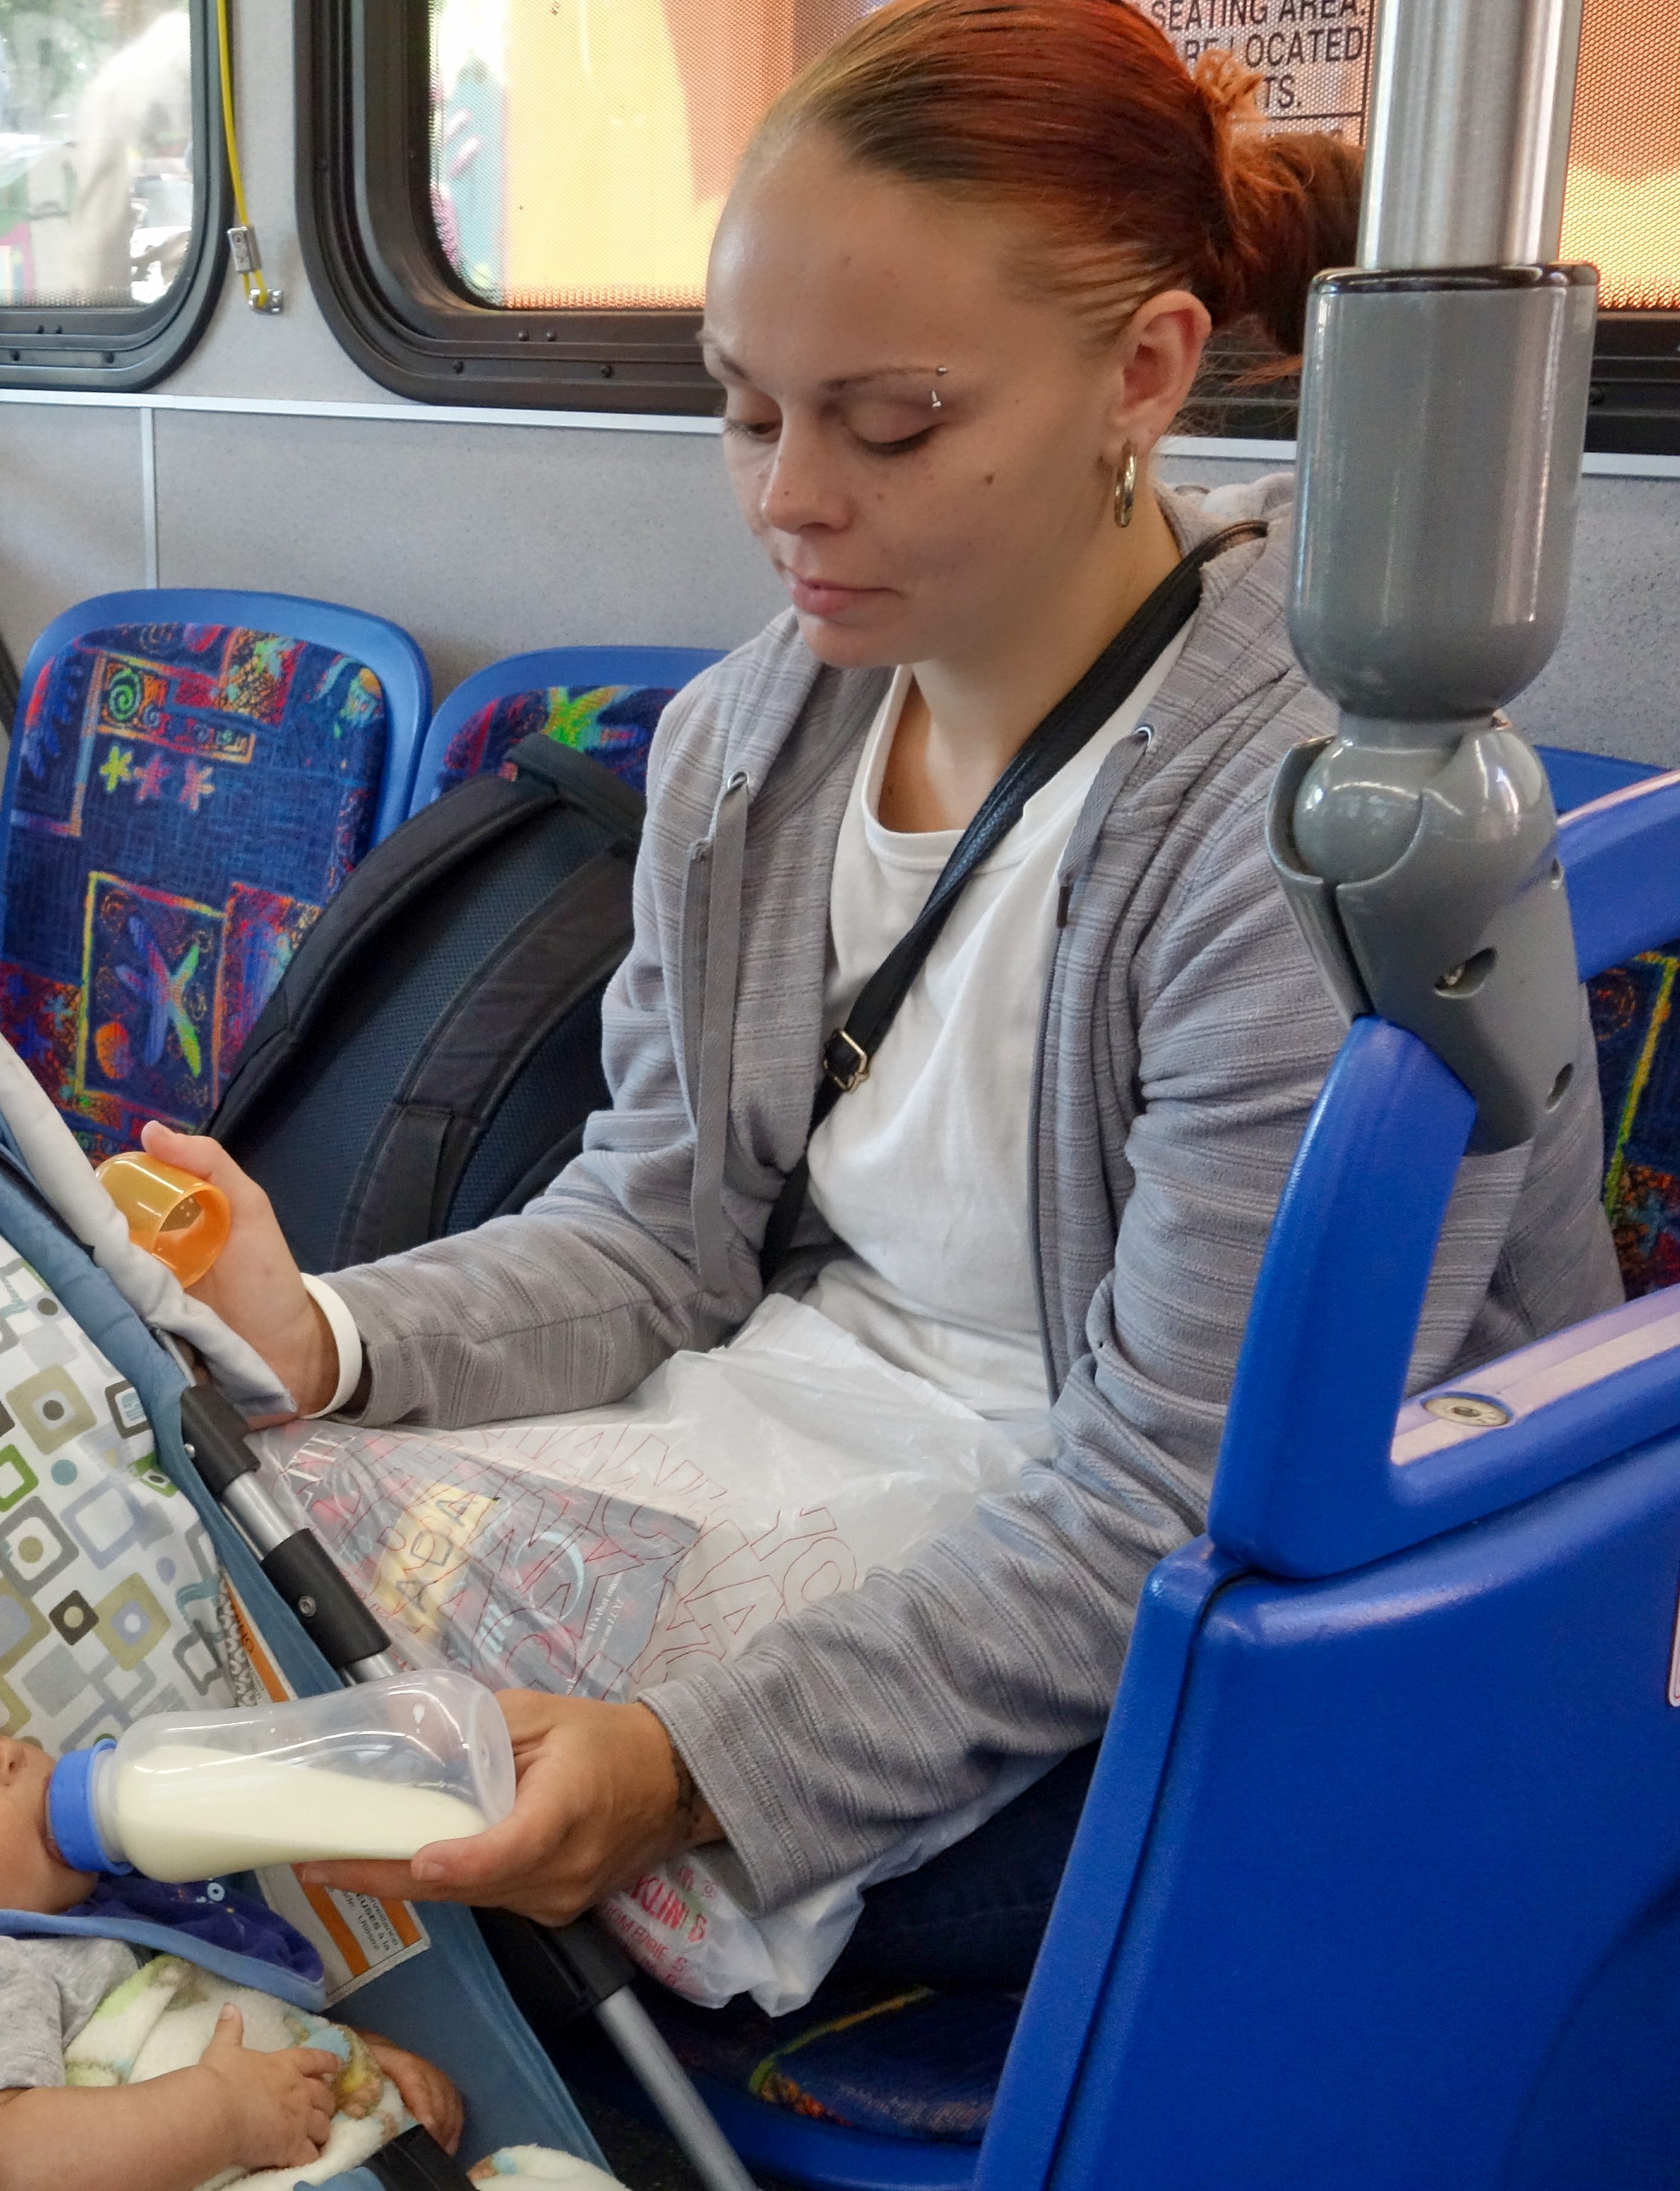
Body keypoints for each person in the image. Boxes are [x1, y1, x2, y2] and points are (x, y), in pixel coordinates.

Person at [142, 0, 1619, 1989]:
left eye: (891, 420)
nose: (789, 500)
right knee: (201, 1555)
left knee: (375, 1802)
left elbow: (1176, 1498)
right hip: (811, 1444)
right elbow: (656, 1231)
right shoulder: (752, 748)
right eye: (749, 410)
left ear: (1143, 373)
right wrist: (315, 1327)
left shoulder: (1305, 826)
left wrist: (691, 1768)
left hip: (1219, 1626)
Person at [0, 1661, 579, 2190]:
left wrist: (356, 2065)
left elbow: (218, 2016)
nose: (6, 1755)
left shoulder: (114, 1919)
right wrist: (224, 2116)